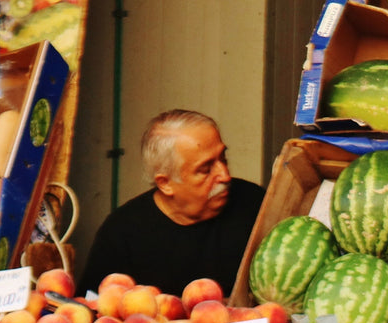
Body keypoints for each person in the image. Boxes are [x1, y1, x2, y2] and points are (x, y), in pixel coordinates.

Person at [78, 109, 265, 297]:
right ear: (165, 183)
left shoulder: (255, 205)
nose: (224, 175)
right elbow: (94, 308)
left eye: (223, 158)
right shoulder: (121, 234)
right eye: (206, 169)